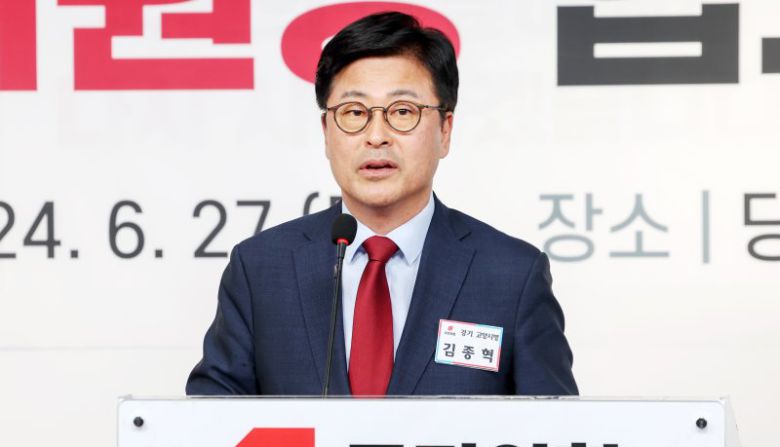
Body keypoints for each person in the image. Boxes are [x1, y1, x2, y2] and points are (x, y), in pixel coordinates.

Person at [186, 12, 577, 396]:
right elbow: (209, 420)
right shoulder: (260, 270)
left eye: (402, 112)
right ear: (326, 132)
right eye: (354, 113)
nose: (376, 136)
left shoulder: (511, 275)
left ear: (445, 130)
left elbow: (557, 430)